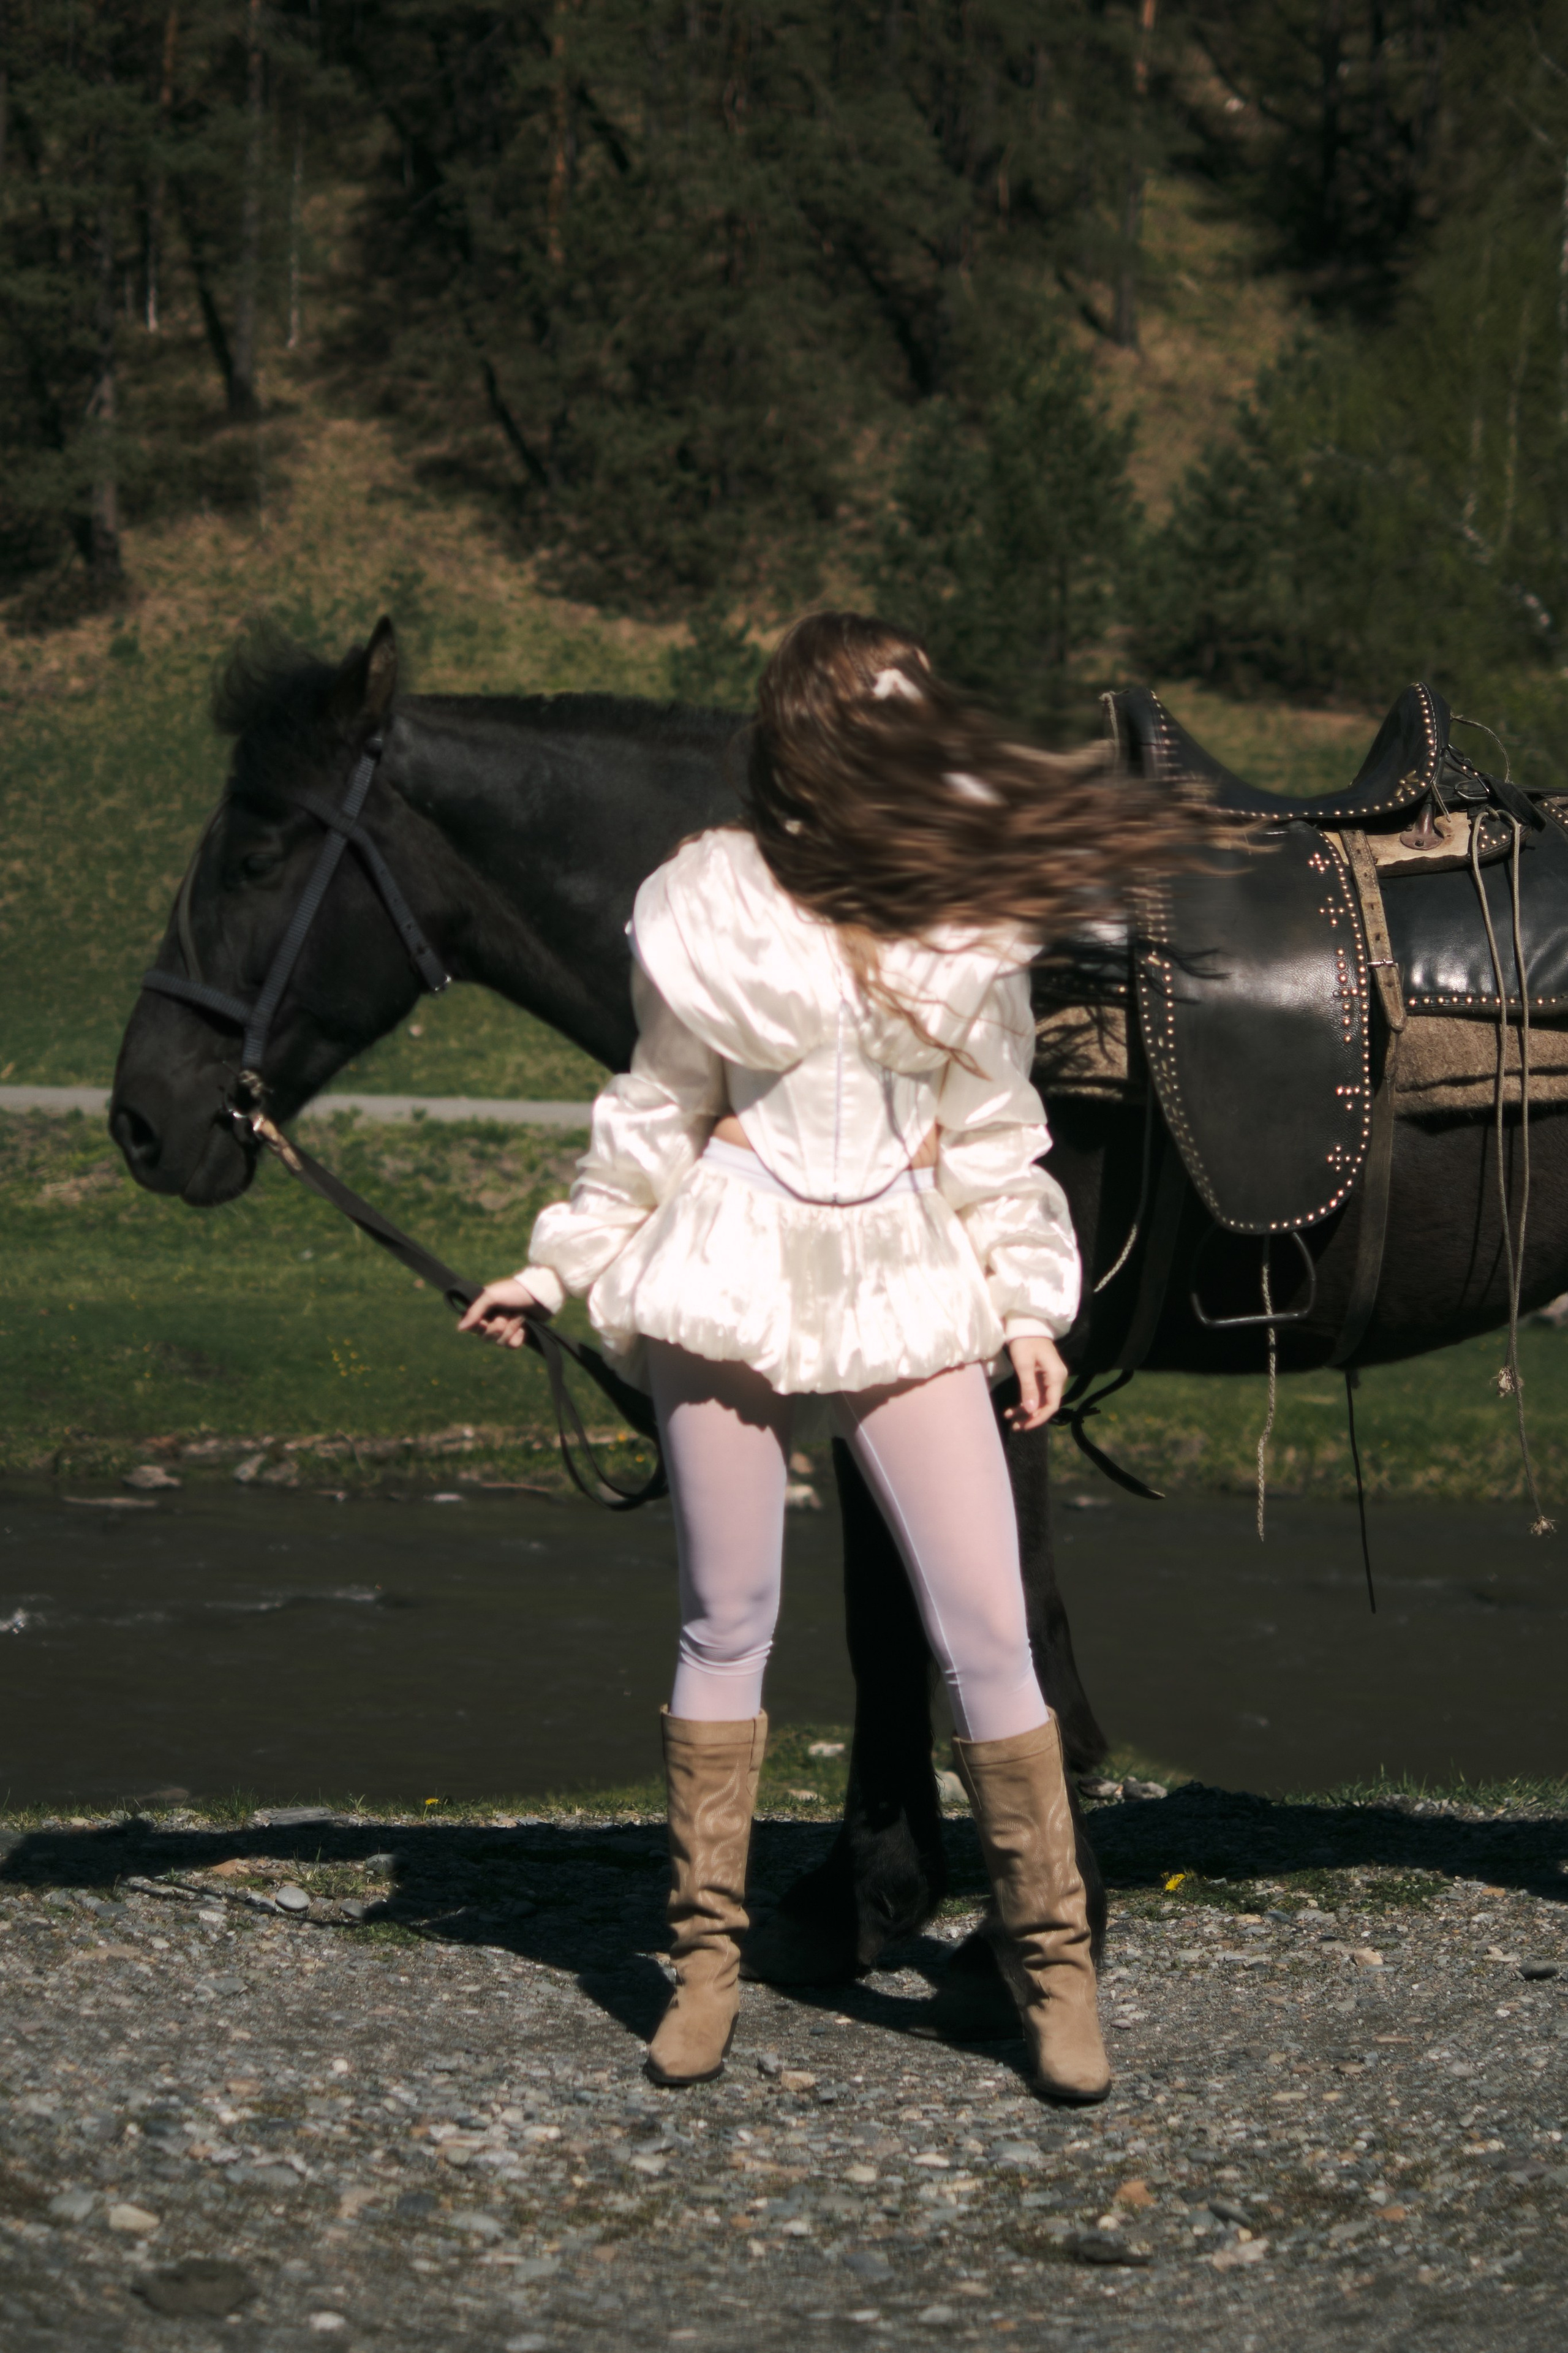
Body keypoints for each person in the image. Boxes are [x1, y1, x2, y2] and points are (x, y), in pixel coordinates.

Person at [459, 612, 1188, 2104]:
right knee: (728, 1618)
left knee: (984, 1620)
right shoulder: (707, 904)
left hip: (908, 1270)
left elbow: (994, 1137)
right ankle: (705, 1968)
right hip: (727, 1262)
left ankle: (1054, 1972)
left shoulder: (966, 915)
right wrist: (553, 1263)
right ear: (805, 734)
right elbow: (654, 1114)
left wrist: (1028, 1305)